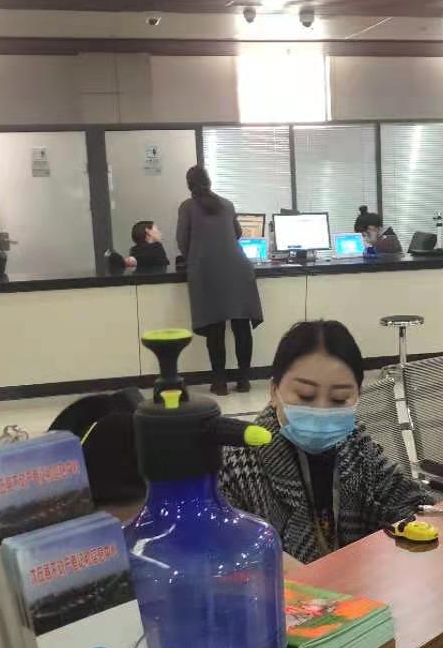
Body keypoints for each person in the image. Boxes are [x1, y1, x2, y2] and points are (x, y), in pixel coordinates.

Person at [220, 320, 430, 564]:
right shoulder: (235, 466)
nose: (321, 410)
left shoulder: (357, 445)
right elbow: (226, 552)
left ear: (358, 397)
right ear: (274, 391)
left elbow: (412, 503)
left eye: (339, 399)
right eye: (305, 396)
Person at [177, 166, 264, 396]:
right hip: (238, 268)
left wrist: (196, 256)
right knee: (241, 326)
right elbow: (238, 234)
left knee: (214, 327)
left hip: (207, 271)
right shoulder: (227, 204)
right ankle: (244, 380)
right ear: (209, 182)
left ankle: (219, 383)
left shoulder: (187, 207)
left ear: (189, 185)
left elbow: (182, 241)